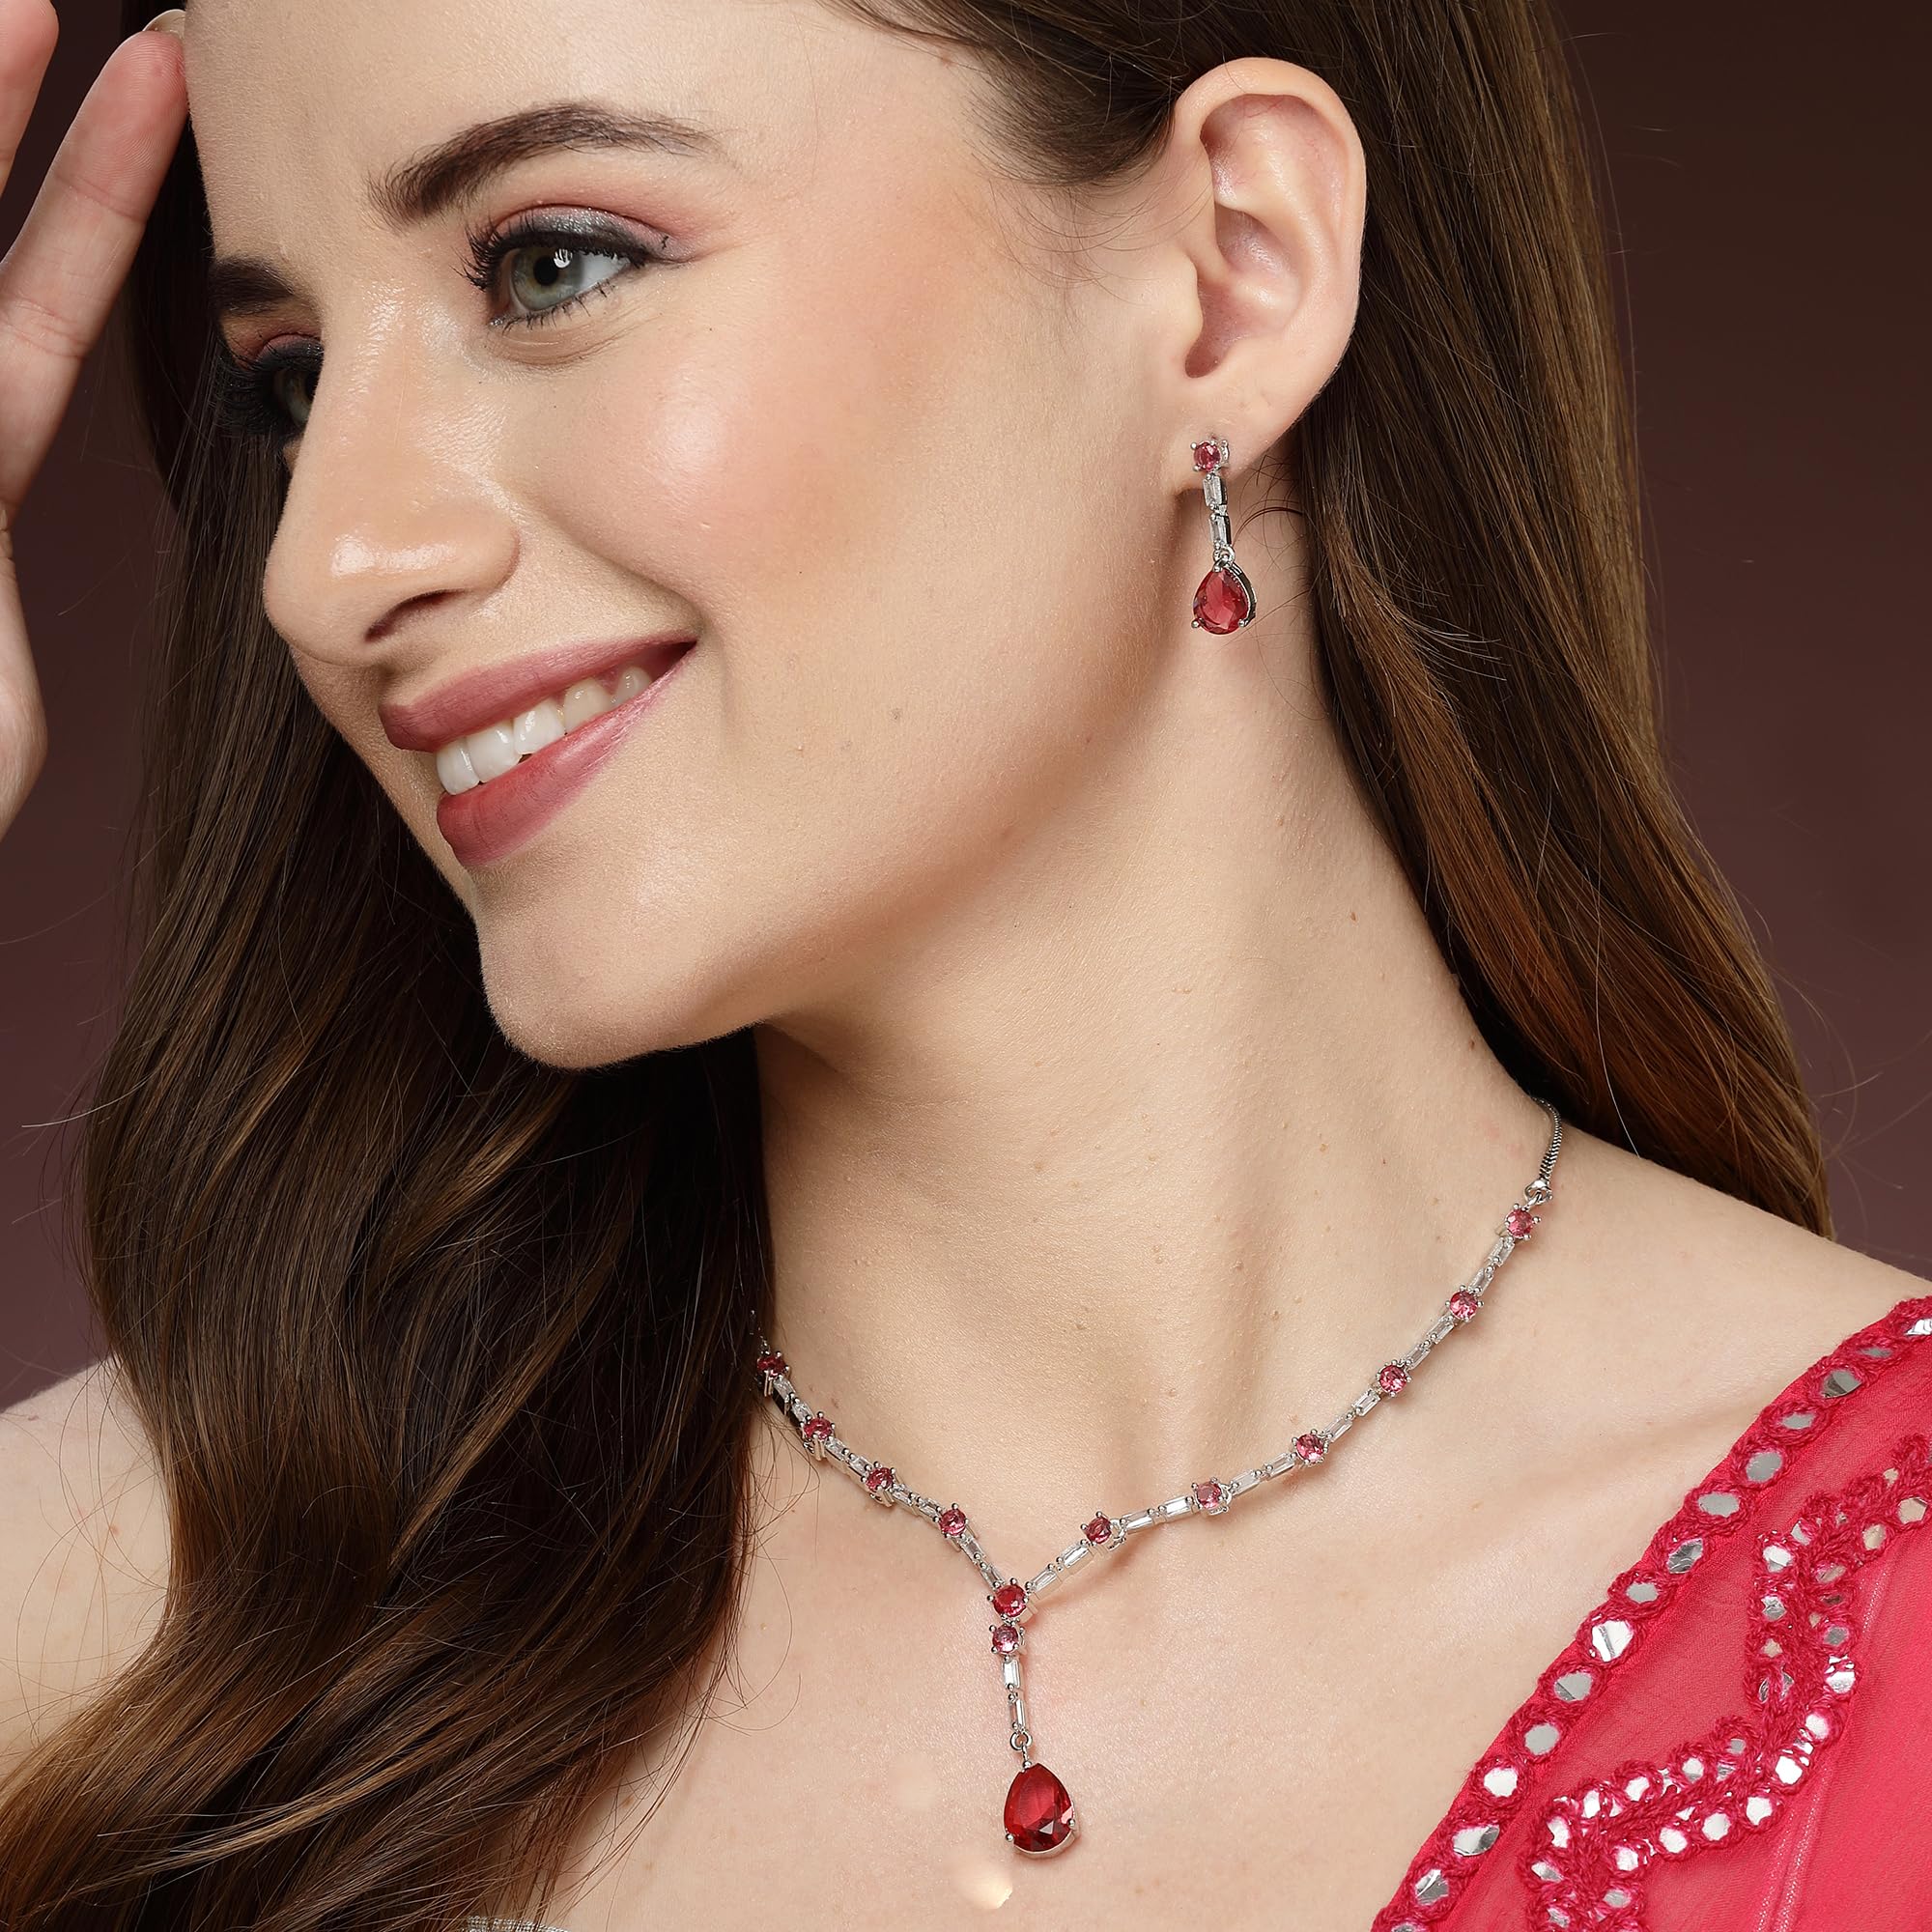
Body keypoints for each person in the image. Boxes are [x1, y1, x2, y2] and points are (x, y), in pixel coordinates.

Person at [0, 0, 1925, 1926]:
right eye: (288, 381)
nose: (327, 564)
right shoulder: (113, 1645)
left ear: (1231, 276)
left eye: (550, 265)